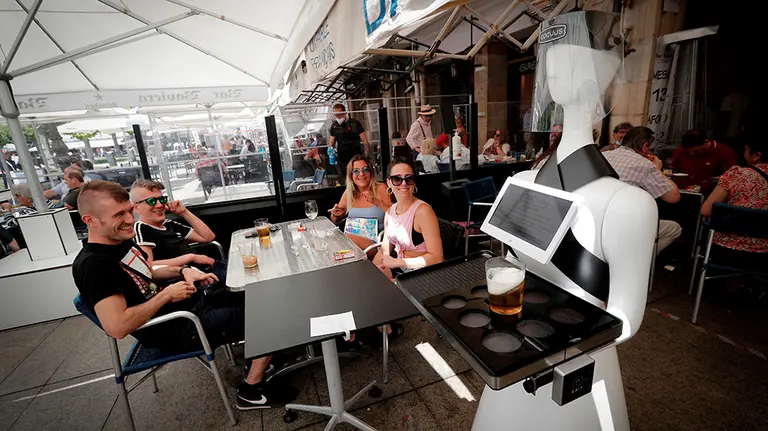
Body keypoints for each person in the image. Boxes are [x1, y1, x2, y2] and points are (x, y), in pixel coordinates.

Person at [72, 180, 297, 410]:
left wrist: (182, 270)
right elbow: (117, 326)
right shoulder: (95, 265)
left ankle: (260, 356)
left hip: (189, 307)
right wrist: (167, 294)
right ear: (89, 221)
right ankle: (251, 390)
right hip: (176, 329)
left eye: (129, 210)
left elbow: (147, 271)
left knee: (261, 294)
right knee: (272, 314)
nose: (130, 219)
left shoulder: (120, 243)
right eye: (119, 215)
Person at [602, 127, 682, 253]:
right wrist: (658, 170)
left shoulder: (603, 155)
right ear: (645, 146)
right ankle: (638, 259)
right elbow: (673, 197)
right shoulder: (644, 164)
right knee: (674, 229)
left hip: (596, 217)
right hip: (623, 224)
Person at [130, 180, 226, 278]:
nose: (159, 205)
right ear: (137, 208)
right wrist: (190, 258)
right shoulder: (142, 228)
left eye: (162, 199)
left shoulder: (169, 224)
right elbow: (148, 265)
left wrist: (183, 212)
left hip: (208, 268)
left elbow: (208, 237)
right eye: (151, 201)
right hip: (190, 277)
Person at [701, 139, 768, 266]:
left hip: (728, 247)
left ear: (756, 155)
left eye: (746, 150)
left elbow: (706, 210)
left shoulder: (736, 174)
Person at [374, 158, 443, 280]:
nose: (404, 184)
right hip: (401, 271)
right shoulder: (390, 212)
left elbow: (437, 257)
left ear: (414, 182)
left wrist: (397, 263)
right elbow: (384, 250)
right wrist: (374, 267)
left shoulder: (423, 212)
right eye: (397, 179)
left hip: (424, 275)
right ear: (389, 182)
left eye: (409, 179)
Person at [329, 156, 391, 255]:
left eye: (365, 170)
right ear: (351, 175)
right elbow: (334, 219)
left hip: (376, 244)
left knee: (346, 239)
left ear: (371, 172)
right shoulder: (349, 193)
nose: (361, 174)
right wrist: (337, 214)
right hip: (351, 245)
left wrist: (379, 203)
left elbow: (395, 216)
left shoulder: (380, 188)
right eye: (356, 171)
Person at [672, 130, 737, 190]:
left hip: (713, 190)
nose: (691, 154)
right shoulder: (681, 151)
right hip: (686, 189)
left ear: (706, 142)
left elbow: (732, 176)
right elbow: (673, 170)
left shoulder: (723, 151)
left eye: (695, 150)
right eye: (688, 151)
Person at [329, 104, 369, 176]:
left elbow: (364, 140)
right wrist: (331, 151)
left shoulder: (355, 123)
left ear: (345, 113)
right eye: (336, 115)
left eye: (340, 114)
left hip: (356, 156)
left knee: (357, 175)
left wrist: (367, 155)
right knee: (345, 178)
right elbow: (331, 142)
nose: (338, 117)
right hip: (342, 158)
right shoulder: (335, 126)